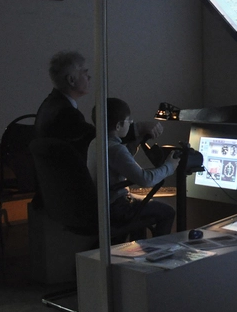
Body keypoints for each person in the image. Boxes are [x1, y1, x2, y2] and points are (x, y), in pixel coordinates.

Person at [34, 50, 164, 158]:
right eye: (85, 72)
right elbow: (100, 141)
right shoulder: (66, 113)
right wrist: (138, 128)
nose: (89, 77)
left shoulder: (51, 105)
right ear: (71, 80)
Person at [87, 98, 180, 237]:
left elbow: (119, 163)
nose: (131, 123)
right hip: (117, 207)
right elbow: (145, 180)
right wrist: (170, 166)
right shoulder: (116, 149)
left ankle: (140, 246)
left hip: (104, 205)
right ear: (119, 126)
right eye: (128, 121)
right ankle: (159, 249)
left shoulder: (96, 143)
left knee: (141, 209)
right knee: (167, 212)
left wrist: (135, 144)